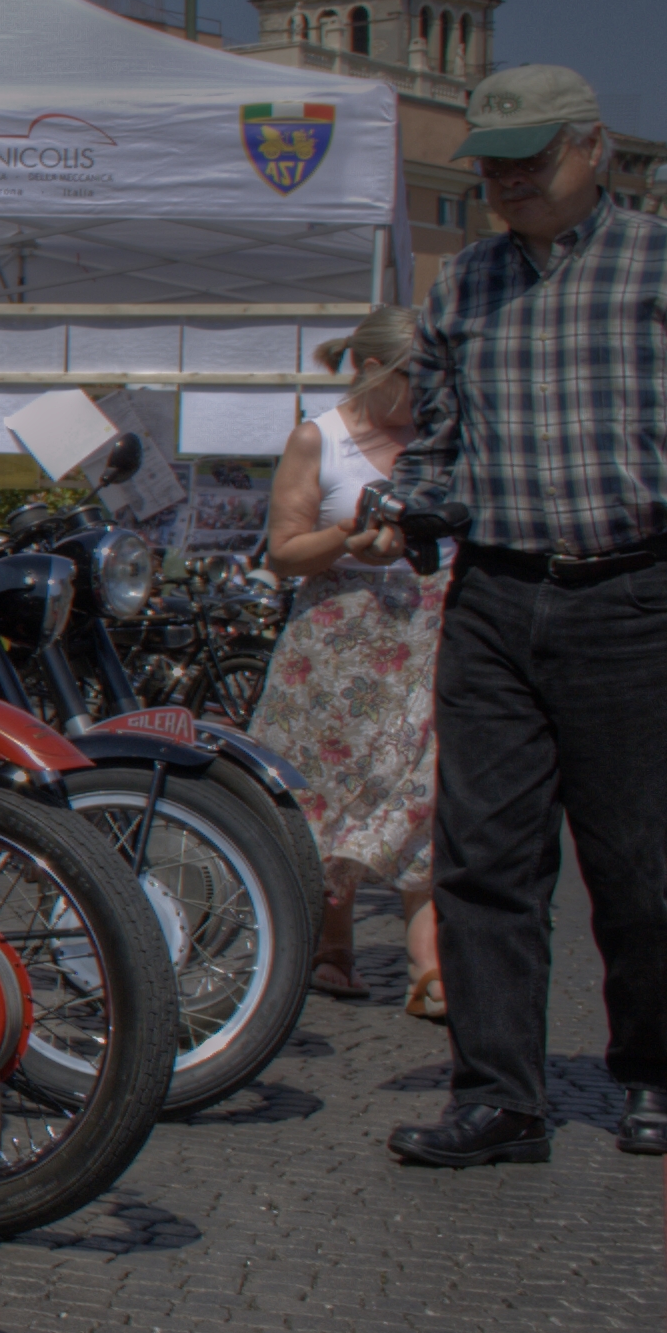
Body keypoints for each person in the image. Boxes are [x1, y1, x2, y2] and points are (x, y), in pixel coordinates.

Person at [378, 65, 667, 1169]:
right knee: (483, 861)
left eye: (531, 154)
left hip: (641, 594)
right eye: (494, 161)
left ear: (593, 148)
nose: (509, 177)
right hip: (501, 597)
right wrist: (409, 507)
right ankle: (500, 1094)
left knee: (648, 864)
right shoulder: (463, 286)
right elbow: (439, 454)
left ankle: (652, 1071)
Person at [253, 307, 447, 1021]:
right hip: (337, 643)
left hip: (430, 630)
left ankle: (428, 965)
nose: (426, 394)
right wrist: (348, 536)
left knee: (426, 792)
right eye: (412, 379)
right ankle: (333, 946)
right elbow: (281, 551)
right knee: (330, 794)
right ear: (369, 371)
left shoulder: (442, 437)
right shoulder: (319, 437)